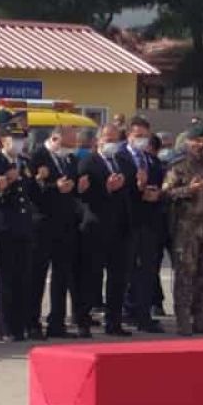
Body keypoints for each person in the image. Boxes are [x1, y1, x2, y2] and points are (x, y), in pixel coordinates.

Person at [163, 120, 203, 336]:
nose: (202, 145)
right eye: (197, 141)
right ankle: (183, 319)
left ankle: (201, 317)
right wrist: (188, 190)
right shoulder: (178, 166)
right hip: (187, 229)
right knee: (185, 274)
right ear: (189, 142)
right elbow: (166, 194)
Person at [76, 124, 133, 337]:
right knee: (91, 275)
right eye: (107, 139)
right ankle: (83, 320)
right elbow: (83, 196)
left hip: (120, 228)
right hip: (96, 226)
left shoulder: (124, 162)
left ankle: (114, 322)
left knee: (118, 277)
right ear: (98, 141)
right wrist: (106, 189)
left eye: (115, 139)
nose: (111, 143)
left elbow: (131, 191)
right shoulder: (88, 162)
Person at [0, 120, 39, 342]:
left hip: (24, 225)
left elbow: (31, 194)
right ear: (3, 140)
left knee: (23, 277)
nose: (18, 143)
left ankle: (21, 325)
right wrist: (3, 186)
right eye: (14, 139)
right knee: (6, 278)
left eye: (21, 139)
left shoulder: (26, 162)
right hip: (4, 226)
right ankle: (5, 327)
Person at [29, 123, 82, 338]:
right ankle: (32, 322)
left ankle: (57, 322)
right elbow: (31, 190)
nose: (74, 143)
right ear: (56, 138)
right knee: (37, 276)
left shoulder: (69, 159)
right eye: (71, 139)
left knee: (62, 276)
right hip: (42, 225)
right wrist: (54, 188)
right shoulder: (37, 157)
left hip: (65, 226)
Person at [122, 117, 167, 332]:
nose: (141, 140)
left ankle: (143, 313)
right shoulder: (120, 158)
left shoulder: (152, 160)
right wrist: (137, 189)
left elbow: (161, 186)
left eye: (145, 137)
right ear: (129, 136)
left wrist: (156, 195)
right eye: (137, 136)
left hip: (149, 223)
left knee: (148, 270)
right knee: (127, 269)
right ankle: (126, 311)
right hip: (128, 221)